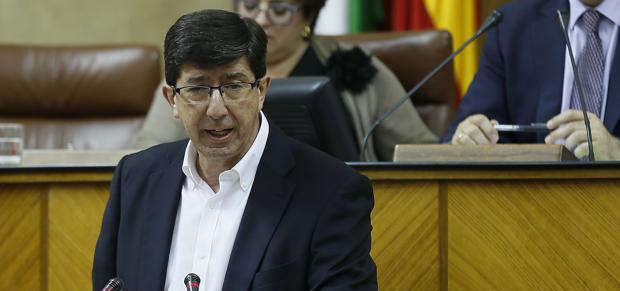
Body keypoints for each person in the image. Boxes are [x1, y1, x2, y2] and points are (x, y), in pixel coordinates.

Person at [56, 9, 378, 291]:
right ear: (172, 100)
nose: (217, 109)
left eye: (234, 86)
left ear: (262, 91)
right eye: (197, 89)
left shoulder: (330, 189)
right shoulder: (137, 179)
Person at [130, 0, 438, 161]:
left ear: (307, 16)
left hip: (332, 204)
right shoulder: (197, 73)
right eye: (251, 5)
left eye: (279, 10)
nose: (262, 18)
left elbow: (417, 153)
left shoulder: (357, 69)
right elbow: (148, 153)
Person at [443, 0, 620, 160]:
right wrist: (467, 139)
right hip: (529, 192)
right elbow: (462, 133)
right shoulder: (511, 25)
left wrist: (616, 150)